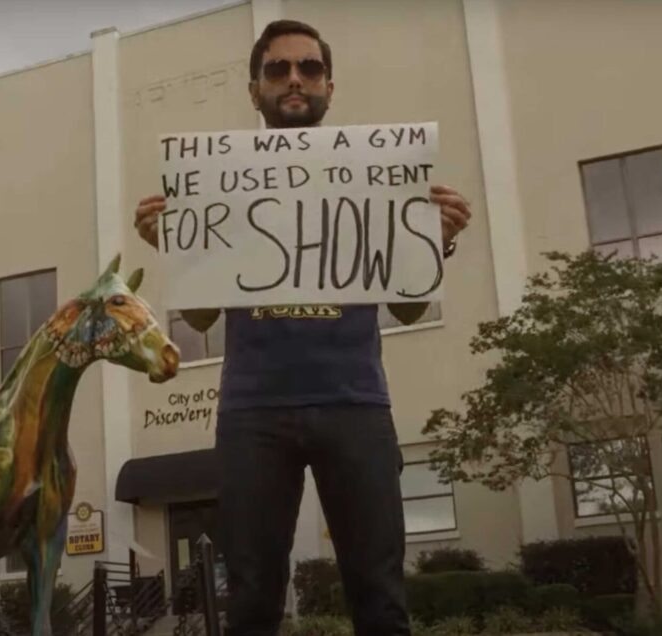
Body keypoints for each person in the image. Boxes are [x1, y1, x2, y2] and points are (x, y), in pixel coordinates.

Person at [133, 19, 472, 636]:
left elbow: (410, 311)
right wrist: (176, 249)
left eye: (308, 69)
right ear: (254, 88)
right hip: (252, 412)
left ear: (329, 86)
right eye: (278, 69)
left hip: (356, 403)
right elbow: (204, 319)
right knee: (254, 598)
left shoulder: (378, 172)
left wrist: (436, 242)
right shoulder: (218, 180)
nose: (294, 80)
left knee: (380, 594)